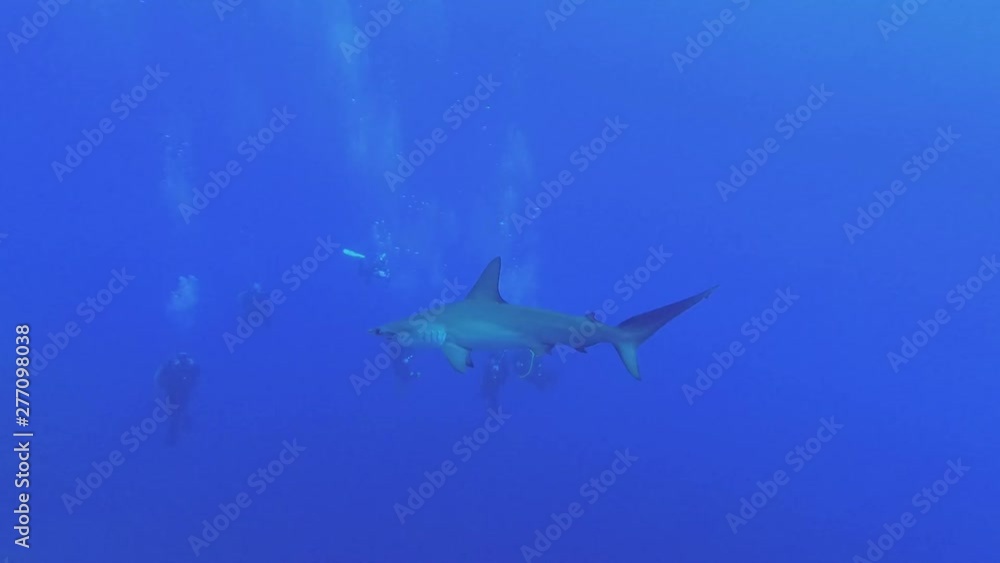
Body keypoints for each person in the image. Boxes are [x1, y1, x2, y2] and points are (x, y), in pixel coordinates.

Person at [155, 352, 200, 446]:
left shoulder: (191, 366)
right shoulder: (171, 366)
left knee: (179, 411)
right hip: (172, 391)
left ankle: (176, 432)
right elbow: (160, 379)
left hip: (182, 392)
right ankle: (176, 431)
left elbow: (195, 376)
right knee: (174, 413)